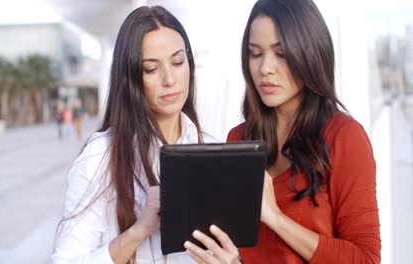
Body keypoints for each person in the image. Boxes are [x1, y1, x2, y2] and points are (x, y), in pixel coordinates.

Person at [184, 0, 381, 263]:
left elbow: (366, 258)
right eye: (256, 53)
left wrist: (275, 218)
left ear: (309, 53)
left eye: (281, 54)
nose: (265, 68)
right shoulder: (238, 140)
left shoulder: (344, 136)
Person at [52, 6, 211, 264]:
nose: (170, 79)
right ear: (131, 77)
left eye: (178, 62)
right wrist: (139, 230)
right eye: (151, 68)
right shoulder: (102, 155)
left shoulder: (211, 149)